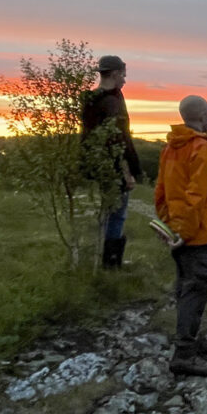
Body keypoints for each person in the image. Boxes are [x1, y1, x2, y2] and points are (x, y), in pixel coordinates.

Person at [154, 95, 207, 377]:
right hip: (198, 233)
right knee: (196, 291)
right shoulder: (202, 149)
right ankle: (184, 355)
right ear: (204, 116)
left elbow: (161, 192)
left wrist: (170, 226)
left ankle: (194, 339)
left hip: (179, 231)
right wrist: (185, 232)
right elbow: (196, 196)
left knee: (186, 287)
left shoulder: (170, 148)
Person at [80, 55, 141, 269]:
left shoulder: (91, 99)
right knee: (117, 214)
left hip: (96, 164)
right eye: (123, 75)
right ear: (115, 74)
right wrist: (127, 173)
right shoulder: (112, 101)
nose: (124, 80)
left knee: (107, 211)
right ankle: (111, 264)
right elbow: (117, 139)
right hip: (113, 167)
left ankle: (102, 258)